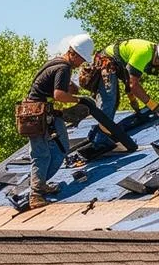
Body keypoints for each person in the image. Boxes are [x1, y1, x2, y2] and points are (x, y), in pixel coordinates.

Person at [19, 33, 99, 204]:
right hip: (37, 114)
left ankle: (40, 184)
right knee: (42, 153)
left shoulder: (57, 62)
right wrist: (79, 100)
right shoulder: (63, 68)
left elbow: (58, 85)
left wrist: (73, 87)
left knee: (62, 146)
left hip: (39, 112)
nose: (81, 64)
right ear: (74, 54)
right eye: (81, 60)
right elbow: (59, 95)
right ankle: (35, 194)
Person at [88, 39, 159, 153]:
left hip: (113, 62)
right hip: (106, 62)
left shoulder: (149, 50)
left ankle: (100, 133)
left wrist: (134, 104)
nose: (158, 68)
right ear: (157, 58)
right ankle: (99, 140)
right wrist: (153, 106)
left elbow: (128, 83)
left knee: (113, 101)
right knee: (109, 100)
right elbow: (133, 85)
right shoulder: (144, 54)